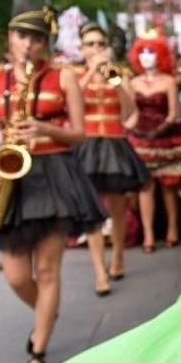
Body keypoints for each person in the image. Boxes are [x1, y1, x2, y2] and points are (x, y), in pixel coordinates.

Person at [0, 0, 106, 363]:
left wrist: (46, 129)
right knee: (15, 275)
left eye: (36, 38)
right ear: (9, 37)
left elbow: (79, 134)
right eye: (21, 35)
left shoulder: (63, 77)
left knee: (47, 270)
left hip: (55, 175)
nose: (27, 44)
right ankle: (48, 310)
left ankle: (38, 347)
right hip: (10, 178)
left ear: (47, 43)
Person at [75, 21, 150, 292]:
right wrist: (90, 74)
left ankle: (118, 257)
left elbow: (130, 110)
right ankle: (99, 272)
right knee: (92, 210)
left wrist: (116, 81)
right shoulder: (74, 75)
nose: (96, 49)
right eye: (90, 44)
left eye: (100, 44)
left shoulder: (120, 74)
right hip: (88, 144)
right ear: (81, 49)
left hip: (115, 143)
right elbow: (71, 104)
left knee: (118, 208)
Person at [126, 31, 181, 248]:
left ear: (161, 55)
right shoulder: (133, 82)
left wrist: (159, 129)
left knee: (169, 185)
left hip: (165, 137)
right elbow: (129, 112)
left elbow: (173, 113)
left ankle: (172, 229)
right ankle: (147, 234)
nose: (148, 56)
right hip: (139, 138)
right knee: (145, 186)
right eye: (144, 51)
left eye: (152, 51)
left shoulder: (168, 81)